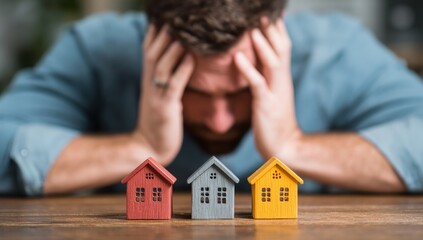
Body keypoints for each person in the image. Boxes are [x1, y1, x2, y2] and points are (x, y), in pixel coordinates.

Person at [1, 0, 423, 196]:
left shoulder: (337, 51)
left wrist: (294, 145)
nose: (220, 122)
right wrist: (140, 147)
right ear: (152, 42)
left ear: (276, 33)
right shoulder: (96, 50)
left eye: (242, 91)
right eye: (194, 91)